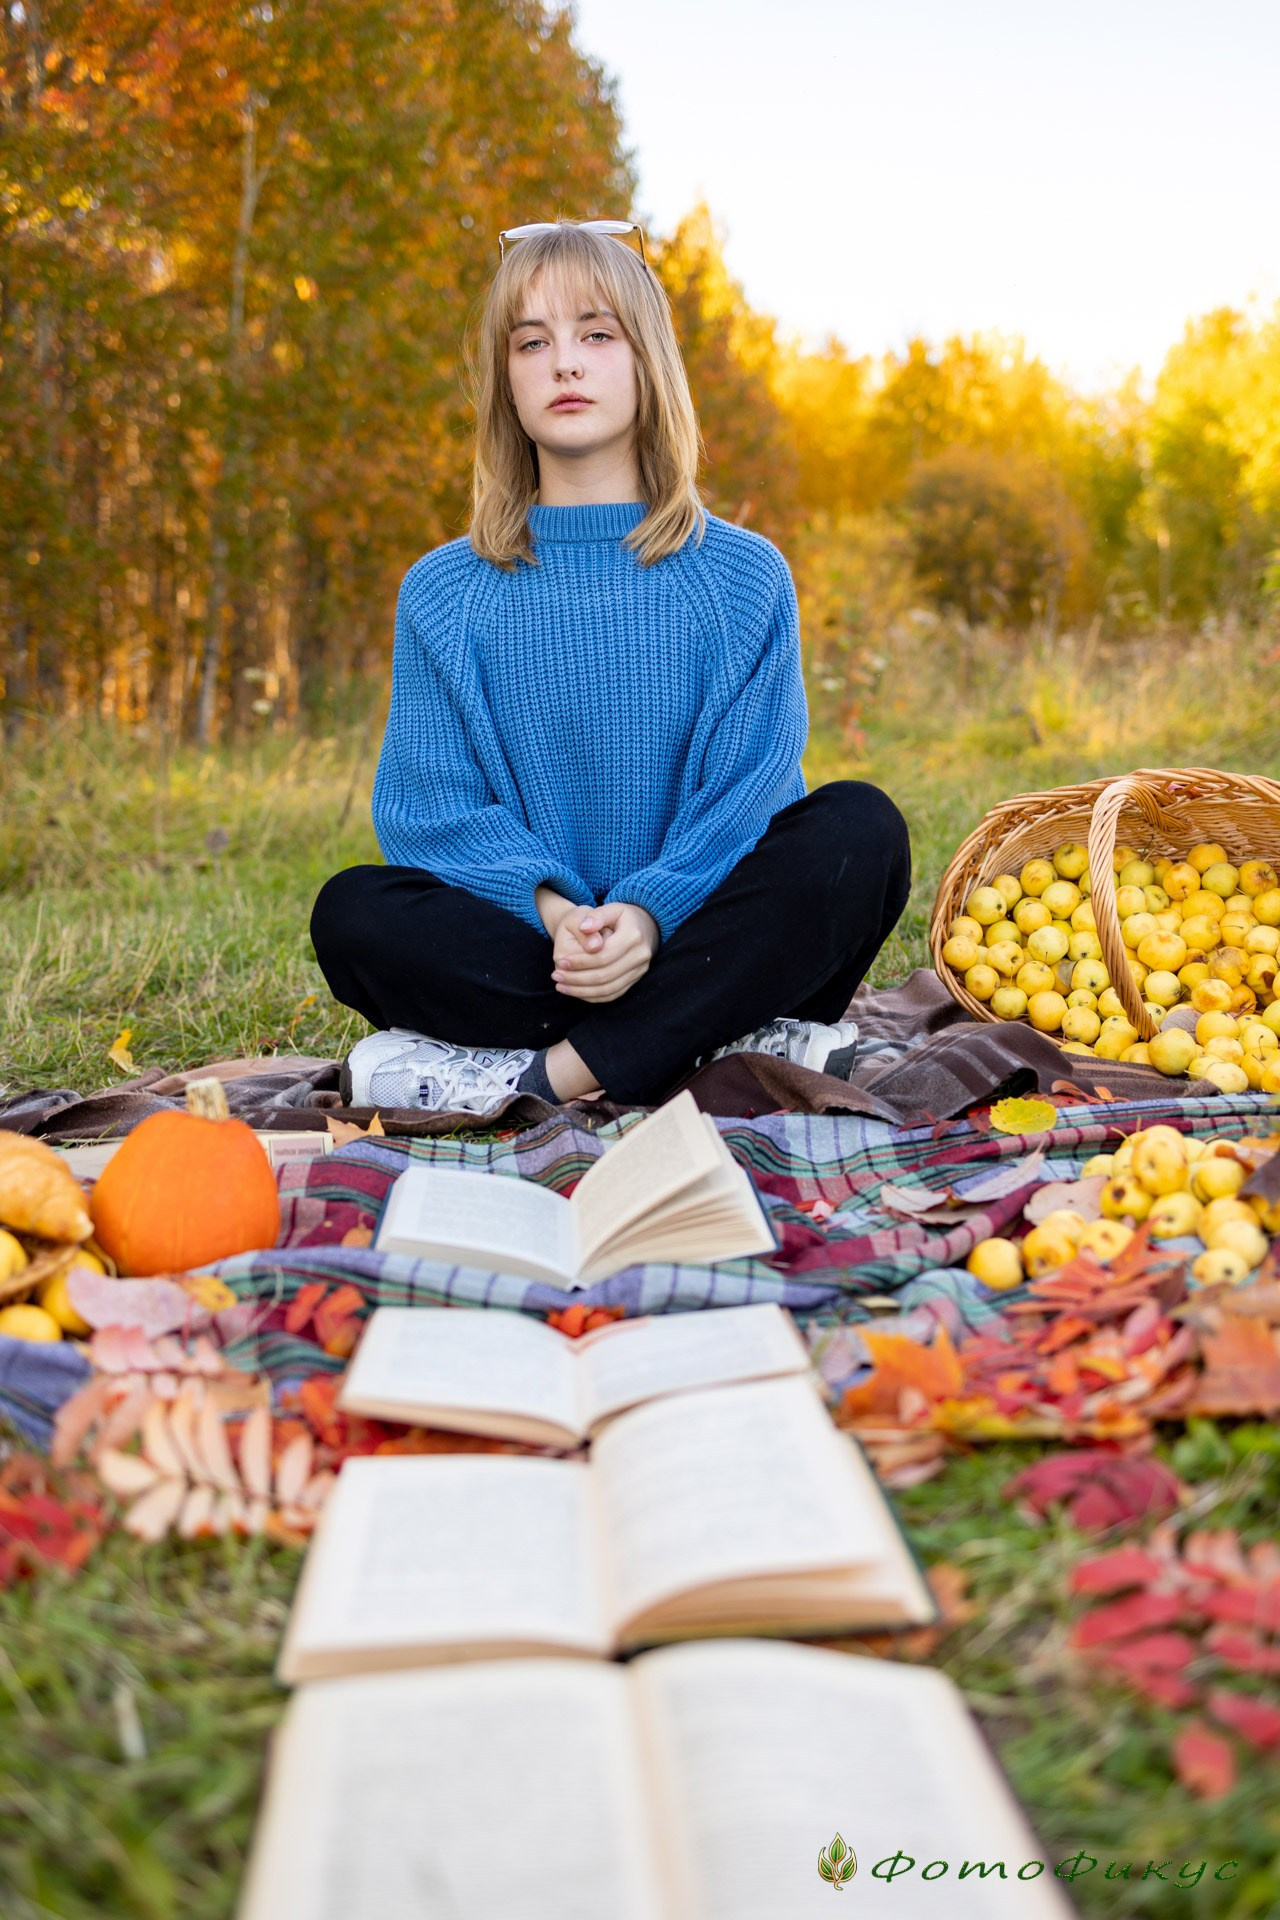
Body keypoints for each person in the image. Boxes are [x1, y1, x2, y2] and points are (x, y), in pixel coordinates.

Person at [310, 218, 910, 1116]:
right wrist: (560, 915)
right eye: (532, 341)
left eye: (597, 335)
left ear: (647, 365)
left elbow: (750, 794)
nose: (565, 363)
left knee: (861, 831)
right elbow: (429, 812)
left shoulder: (742, 577)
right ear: (505, 380)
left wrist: (647, 914)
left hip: (703, 930)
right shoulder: (444, 591)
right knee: (353, 912)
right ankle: (728, 1042)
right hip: (541, 953)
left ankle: (545, 1077)